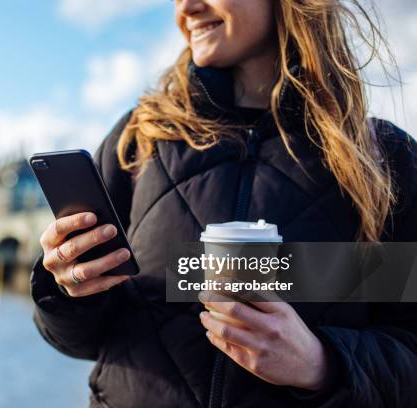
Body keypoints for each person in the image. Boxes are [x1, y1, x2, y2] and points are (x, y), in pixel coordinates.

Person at [31, 0, 417, 406]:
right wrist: (67, 290)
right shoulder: (140, 139)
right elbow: (82, 341)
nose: (188, 8)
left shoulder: (381, 160)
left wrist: (322, 365)